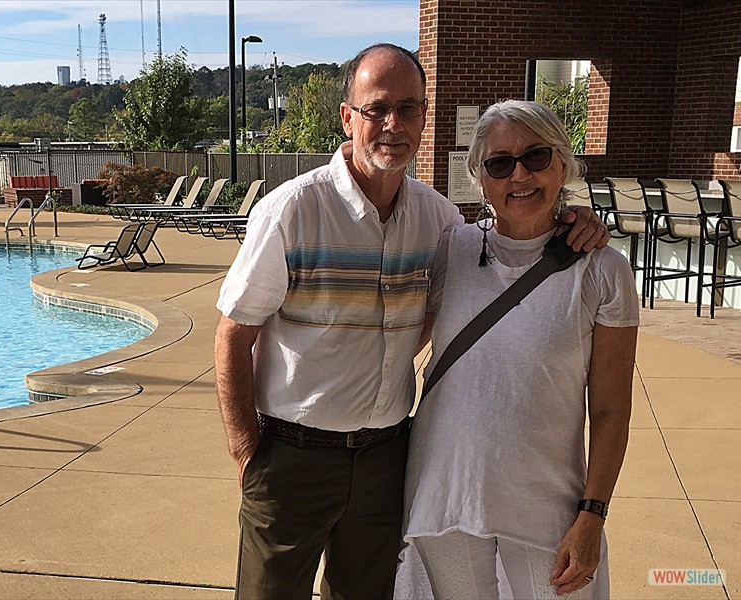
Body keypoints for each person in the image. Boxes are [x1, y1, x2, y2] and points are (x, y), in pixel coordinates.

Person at [214, 45, 609, 600]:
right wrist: (247, 455)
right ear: (348, 116)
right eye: (376, 109)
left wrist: (573, 219)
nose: (392, 124)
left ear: (425, 115)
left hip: (385, 459)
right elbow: (234, 333)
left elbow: (493, 250)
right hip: (292, 457)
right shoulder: (293, 211)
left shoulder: (439, 221)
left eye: (408, 107)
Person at [398, 99, 638, 600]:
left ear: (564, 164)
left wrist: (593, 516)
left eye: (536, 157)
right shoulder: (451, 248)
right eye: (499, 163)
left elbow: (612, 410)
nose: (519, 175)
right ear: (480, 180)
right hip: (447, 492)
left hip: (546, 504)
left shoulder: (602, 270)